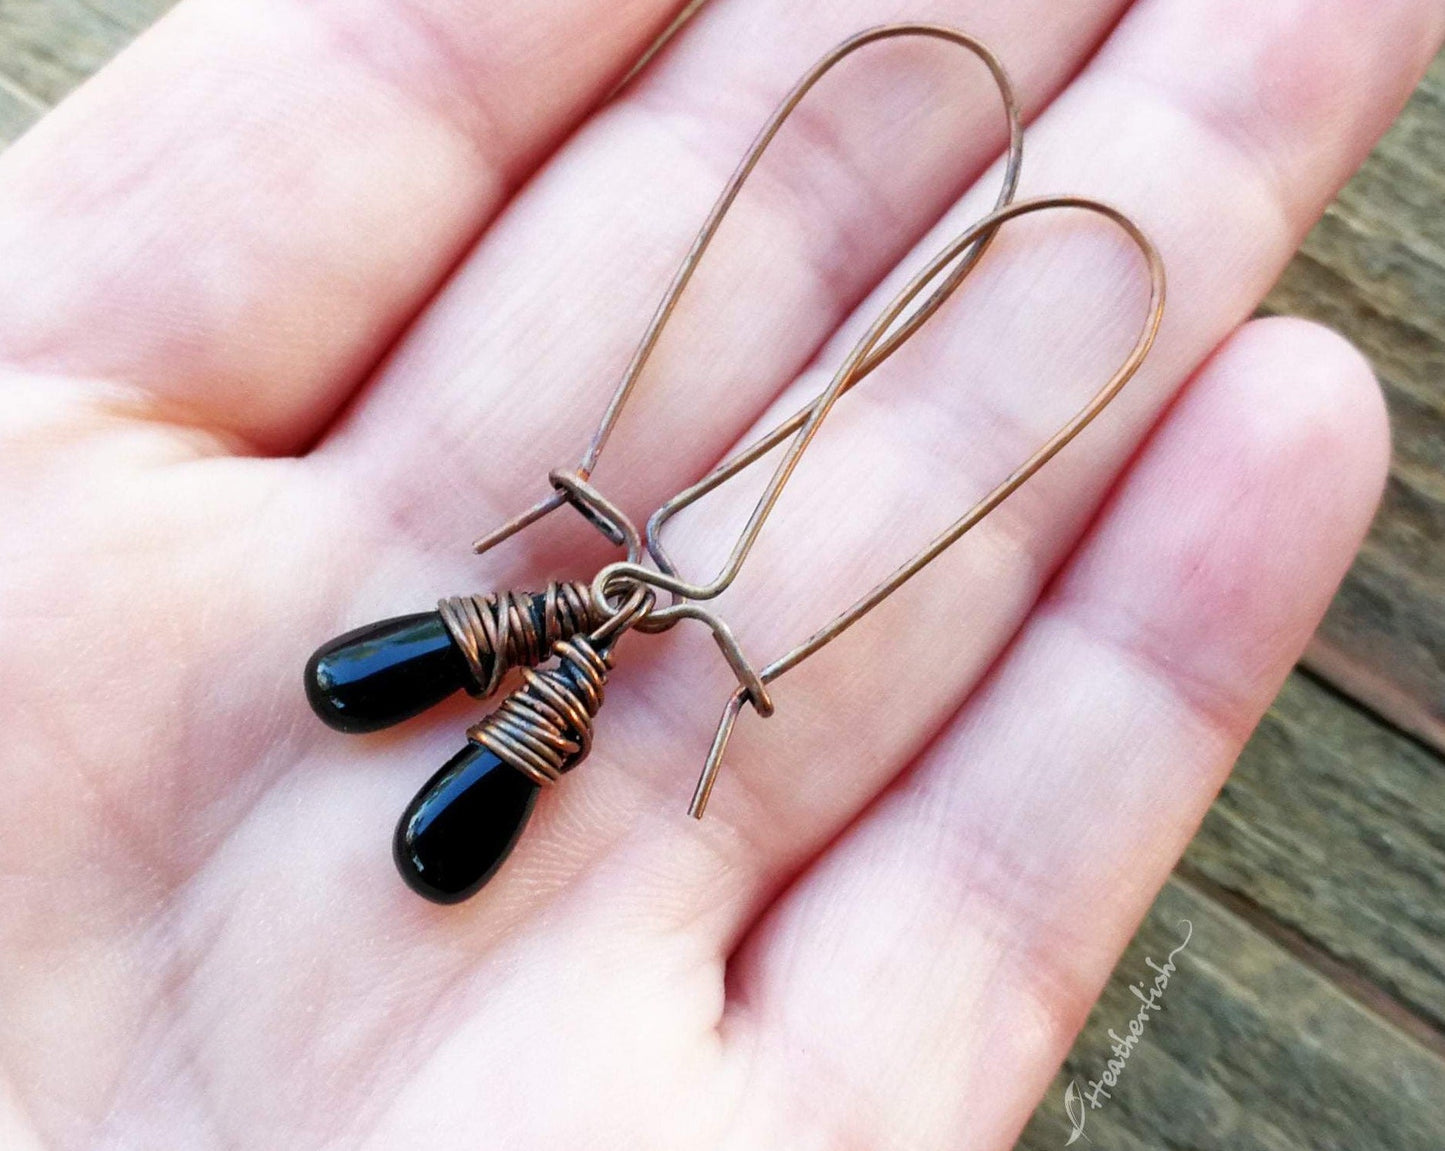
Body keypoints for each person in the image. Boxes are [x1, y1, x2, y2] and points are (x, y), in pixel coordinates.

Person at [0, 0, 1435, 1146]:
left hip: (567, 623)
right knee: (420, 684)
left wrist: (573, 622)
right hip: (562, 618)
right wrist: (573, 617)